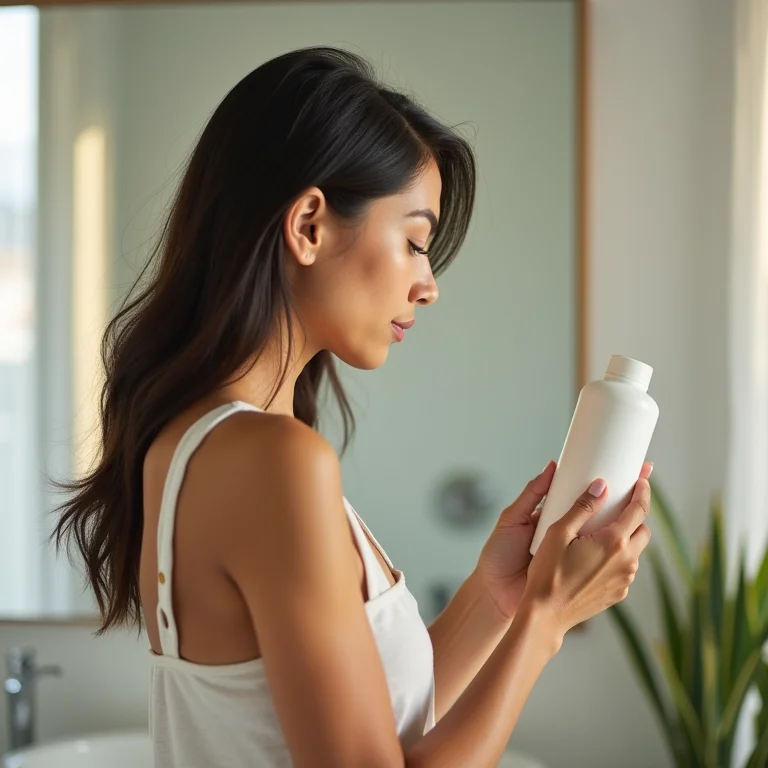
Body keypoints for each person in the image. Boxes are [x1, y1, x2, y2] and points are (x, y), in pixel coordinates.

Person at [54, 47, 652, 768]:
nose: (429, 286)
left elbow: (374, 726)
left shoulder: (196, 444)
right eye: (414, 242)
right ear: (308, 225)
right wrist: (546, 623)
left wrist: (498, 599)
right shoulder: (273, 462)